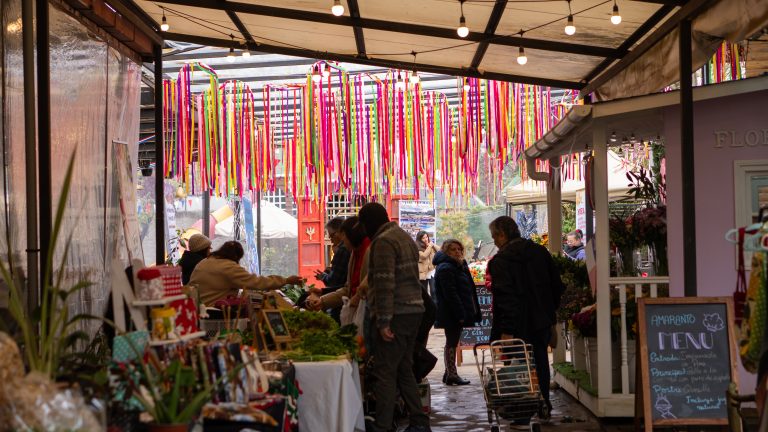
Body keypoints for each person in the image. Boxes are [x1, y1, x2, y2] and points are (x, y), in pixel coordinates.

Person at [358, 202, 430, 432]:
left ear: (368, 223)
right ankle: (419, 421)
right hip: (414, 311)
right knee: (403, 368)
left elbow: (384, 283)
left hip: (397, 314)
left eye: (363, 225)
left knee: (385, 372)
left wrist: (384, 321)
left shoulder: (383, 242)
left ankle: (383, 426)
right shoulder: (403, 236)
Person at [487, 216, 564, 419]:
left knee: (518, 367)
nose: (494, 241)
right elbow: (557, 286)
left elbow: (506, 299)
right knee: (540, 362)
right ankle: (543, 404)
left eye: (494, 237)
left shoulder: (500, 261)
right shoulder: (540, 252)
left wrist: (506, 330)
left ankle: (522, 413)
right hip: (541, 321)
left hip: (517, 325)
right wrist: (549, 313)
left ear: (502, 235)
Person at [189, 241, 303, 305]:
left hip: (196, 309)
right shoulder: (228, 267)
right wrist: (286, 280)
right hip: (212, 312)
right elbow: (256, 282)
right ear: (236, 256)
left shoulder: (205, 262)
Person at [433, 239, 481, 386]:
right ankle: (452, 374)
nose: (457, 252)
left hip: (457, 311)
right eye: (453, 249)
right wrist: (460, 314)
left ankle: (449, 372)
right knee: (452, 342)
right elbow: (451, 294)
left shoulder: (458, 265)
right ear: (446, 251)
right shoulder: (446, 267)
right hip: (451, 313)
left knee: (452, 341)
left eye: (459, 249)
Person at [307, 216, 371, 314]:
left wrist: (323, 280)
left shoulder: (363, 252)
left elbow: (335, 281)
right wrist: (323, 298)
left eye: (343, 236)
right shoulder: (355, 253)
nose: (342, 240)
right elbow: (348, 288)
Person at [416, 231, 439, 300]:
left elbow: (440, 251)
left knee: (434, 291)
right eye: (423, 238)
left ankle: (435, 305)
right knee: (424, 292)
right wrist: (429, 246)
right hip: (423, 272)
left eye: (426, 237)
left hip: (431, 271)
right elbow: (424, 256)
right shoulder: (417, 247)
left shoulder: (430, 245)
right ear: (419, 239)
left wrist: (433, 245)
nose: (426, 239)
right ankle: (425, 306)